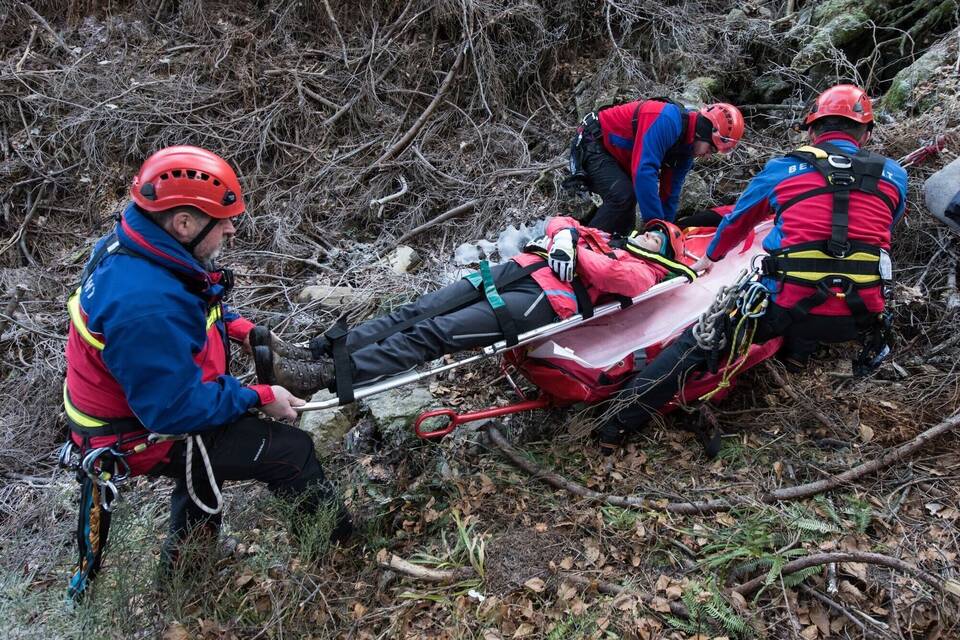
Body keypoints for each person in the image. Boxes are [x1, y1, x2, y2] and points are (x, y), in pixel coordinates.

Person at [64, 146, 353, 572]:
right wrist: (258, 396)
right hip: (140, 433)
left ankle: (186, 573)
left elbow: (193, 303)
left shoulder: (138, 246)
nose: (232, 230)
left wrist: (240, 329)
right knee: (291, 451)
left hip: (138, 413)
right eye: (224, 222)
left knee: (202, 469)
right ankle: (341, 553)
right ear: (184, 223)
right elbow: (174, 412)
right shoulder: (144, 303)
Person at [596, 84, 908, 453]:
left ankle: (614, 425)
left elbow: (738, 221)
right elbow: (884, 228)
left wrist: (711, 257)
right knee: (823, 289)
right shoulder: (894, 174)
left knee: (698, 342)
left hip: (789, 305)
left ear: (812, 130)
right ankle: (796, 356)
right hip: (860, 315)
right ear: (867, 133)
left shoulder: (786, 167)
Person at [251, 216, 697, 398]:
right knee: (414, 311)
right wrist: (565, 235)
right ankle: (313, 352)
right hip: (512, 273)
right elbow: (561, 222)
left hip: (537, 304)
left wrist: (574, 249)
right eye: (650, 230)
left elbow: (613, 279)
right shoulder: (607, 239)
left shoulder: (648, 272)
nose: (647, 235)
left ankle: (320, 378)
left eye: (658, 238)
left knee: (433, 334)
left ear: (664, 254)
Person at [564, 97, 745, 235]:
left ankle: (604, 256)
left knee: (624, 225)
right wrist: (656, 226)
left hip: (617, 156)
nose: (707, 156)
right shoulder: (667, 120)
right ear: (706, 131)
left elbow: (670, 195)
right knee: (623, 196)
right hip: (593, 143)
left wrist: (666, 231)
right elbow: (643, 173)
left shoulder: (686, 151)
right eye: (712, 149)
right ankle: (578, 247)